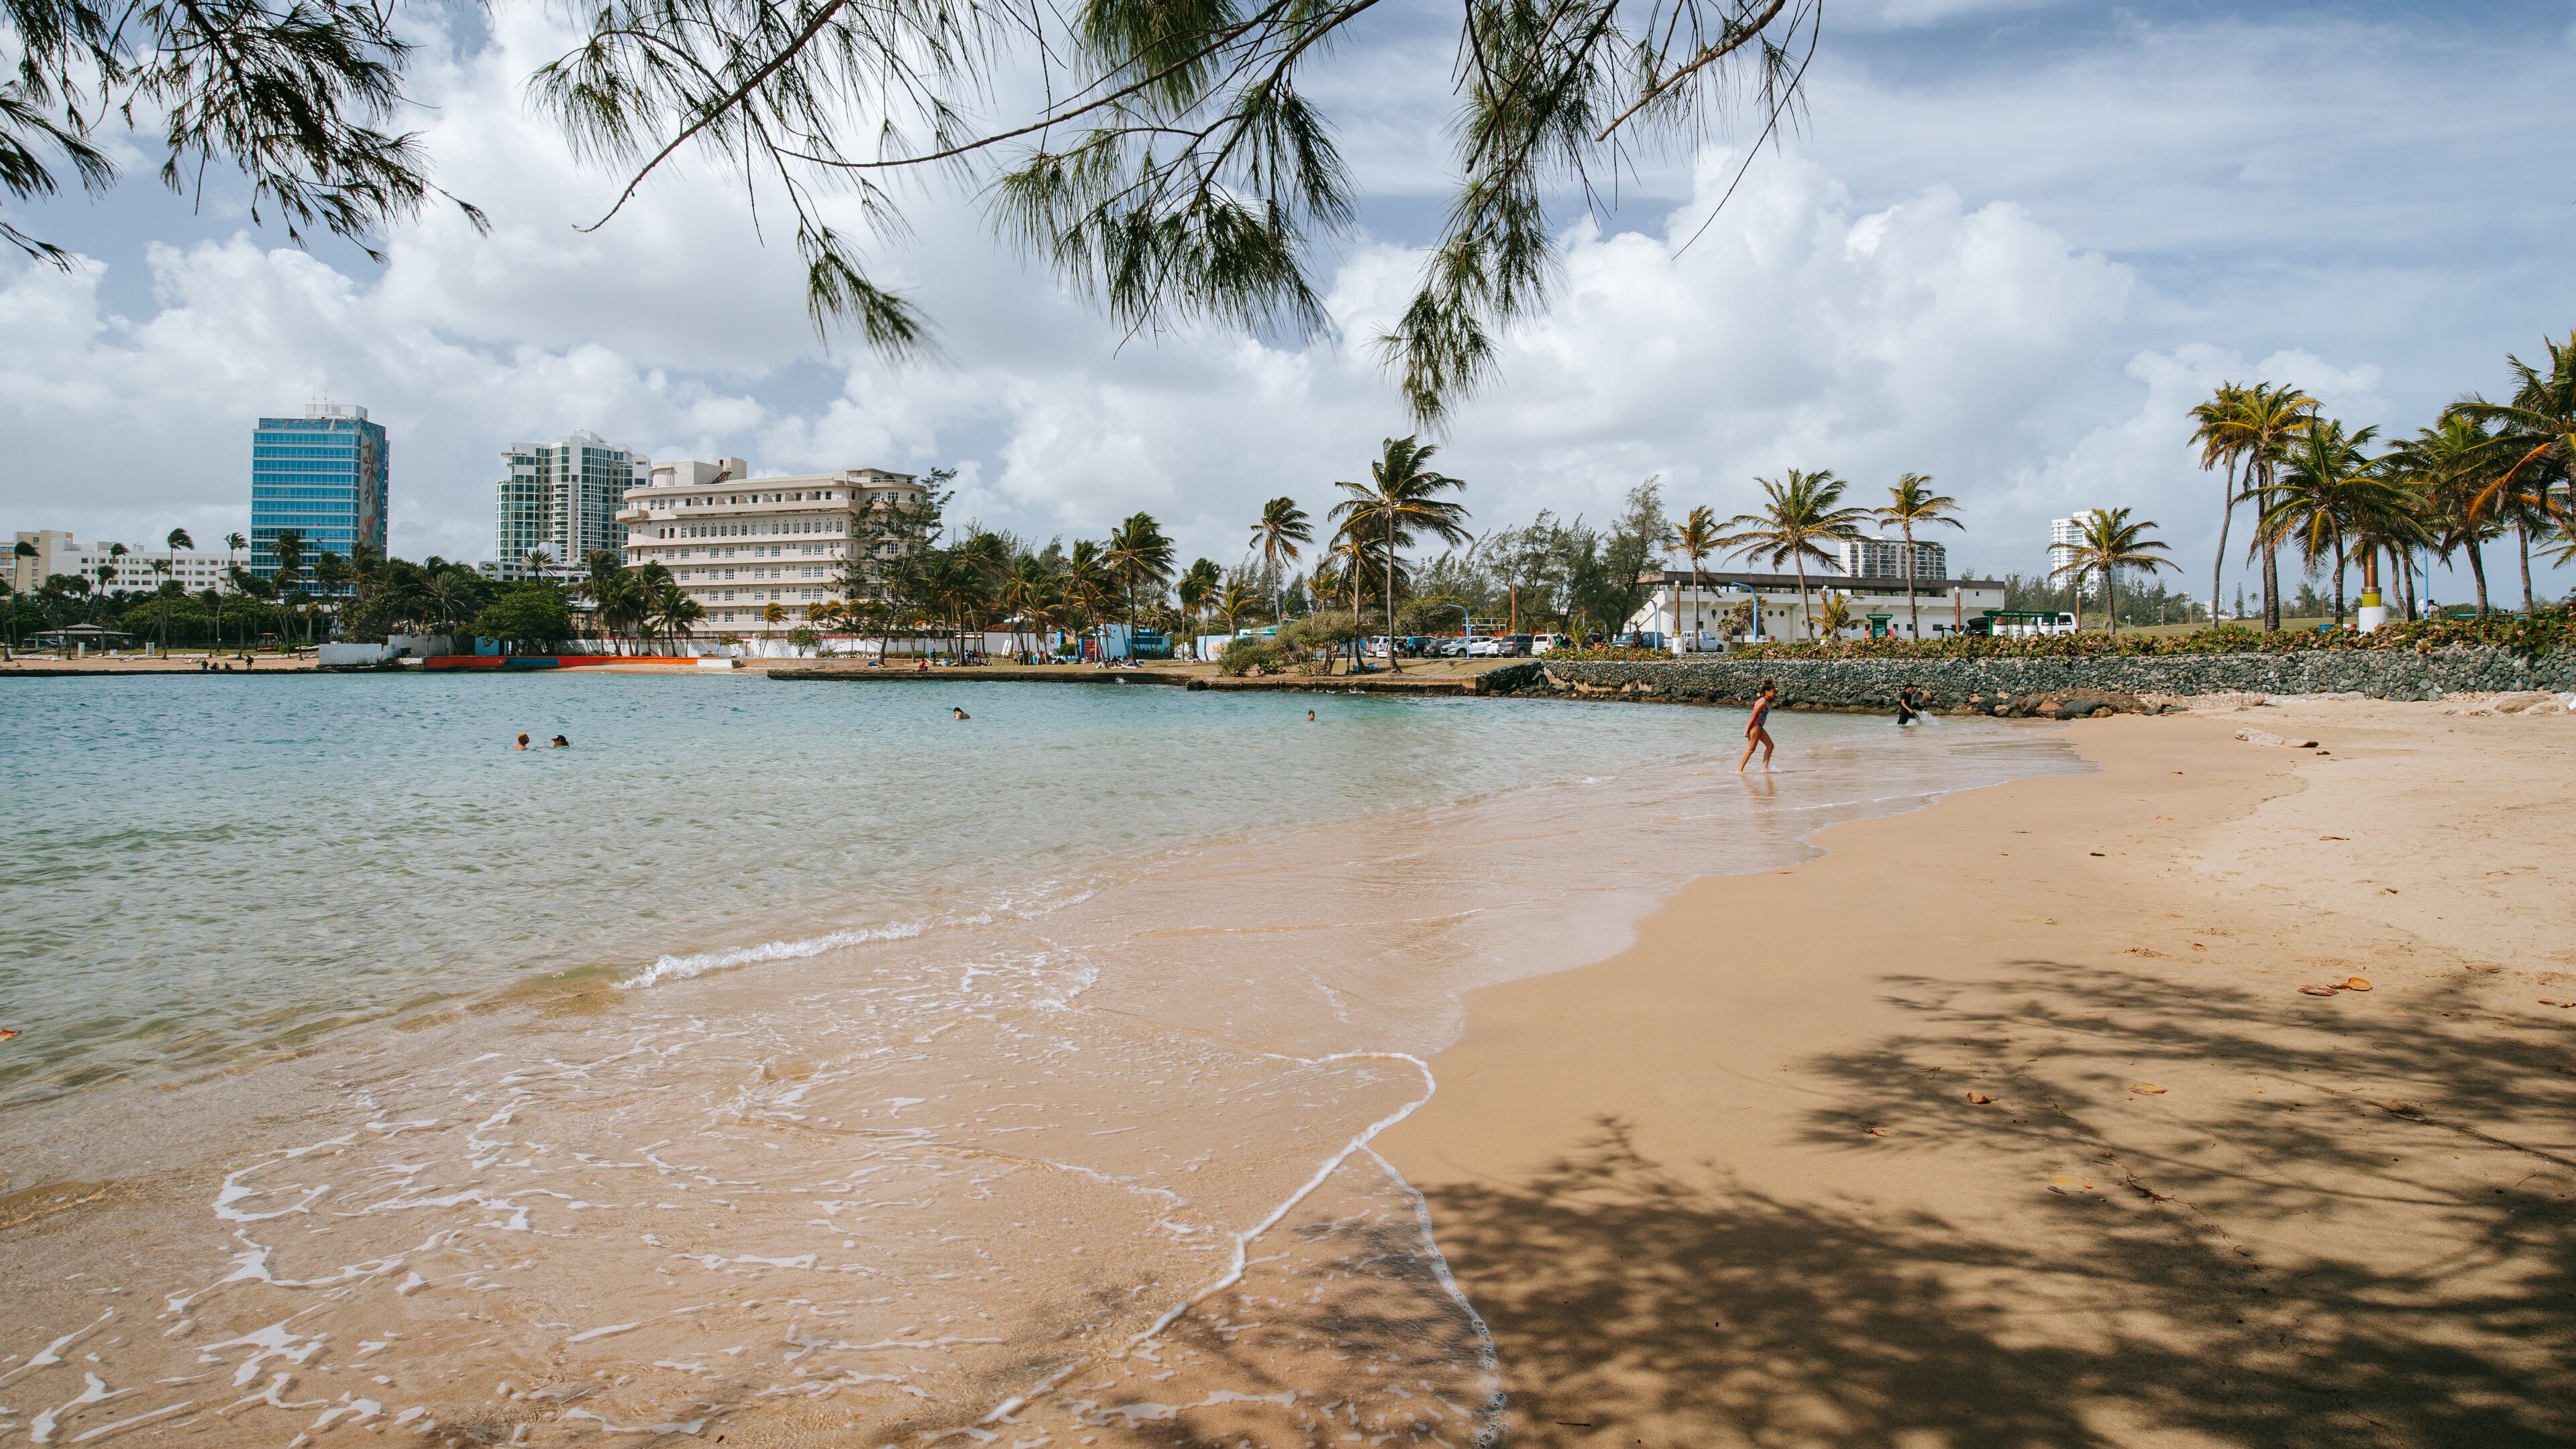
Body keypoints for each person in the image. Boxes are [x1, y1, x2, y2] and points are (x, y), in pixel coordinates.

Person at [1736, 680, 1778, 773]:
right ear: (1767, 692)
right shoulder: (1762, 702)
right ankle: (1739, 770)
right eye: (1773, 691)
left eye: (1775, 691)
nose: (1775, 693)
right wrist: (1747, 730)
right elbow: (1753, 716)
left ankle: (1764, 768)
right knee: (1751, 749)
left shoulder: (1766, 702)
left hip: (1760, 727)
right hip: (1755, 727)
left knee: (1770, 746)